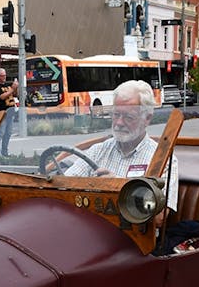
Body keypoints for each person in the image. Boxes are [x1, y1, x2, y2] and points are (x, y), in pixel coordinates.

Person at [64, 79, 178, 208]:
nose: (119, 123)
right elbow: (63, 187)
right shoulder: (97, 151)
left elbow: (160, 216)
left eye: (128, 117)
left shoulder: (163, 160)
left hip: (133, 228)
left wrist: (117, 186)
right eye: (116, 114)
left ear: (147, 119)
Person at [0, 68, 18, 156]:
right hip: (1, 113)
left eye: (5, 75)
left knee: (8, 133)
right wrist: (12, 89)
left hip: (10, 112)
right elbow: (2, 97)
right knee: (0, 133)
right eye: (2, 75)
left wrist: (15, 88)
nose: (4, 77)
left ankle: (5, 151)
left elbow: (15, 95)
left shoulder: (8, 86)